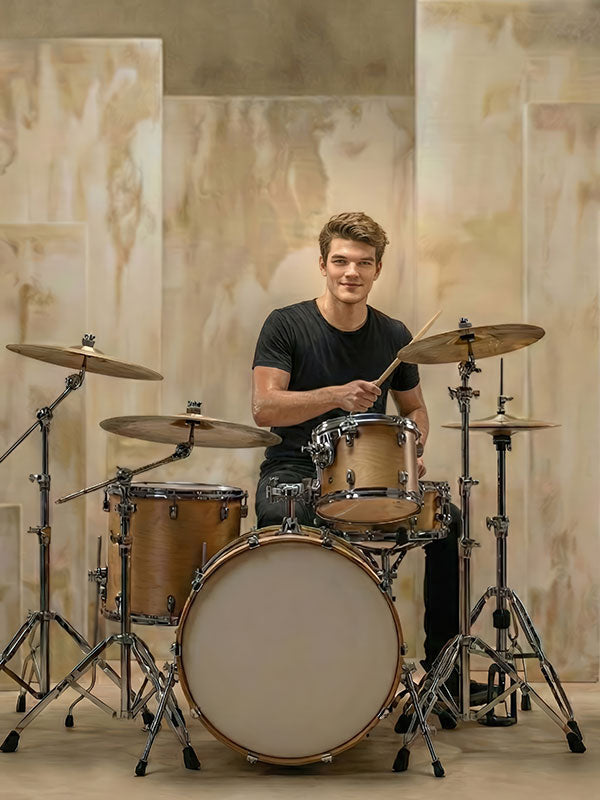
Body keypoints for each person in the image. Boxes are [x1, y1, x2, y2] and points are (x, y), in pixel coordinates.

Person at [251, 211, 458, 677]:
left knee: (451, 524)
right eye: (341, 261)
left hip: (371, 479)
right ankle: (290, 668)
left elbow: (415, 410)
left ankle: (445, 674)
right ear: (322, 264)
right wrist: (335, 395)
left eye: (364, 263)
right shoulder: (286, 325)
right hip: (295, 470)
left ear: (377, 270)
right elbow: (264, 409)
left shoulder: (395, 336)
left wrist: (412, 450)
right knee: (279, 517)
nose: (352, 272)